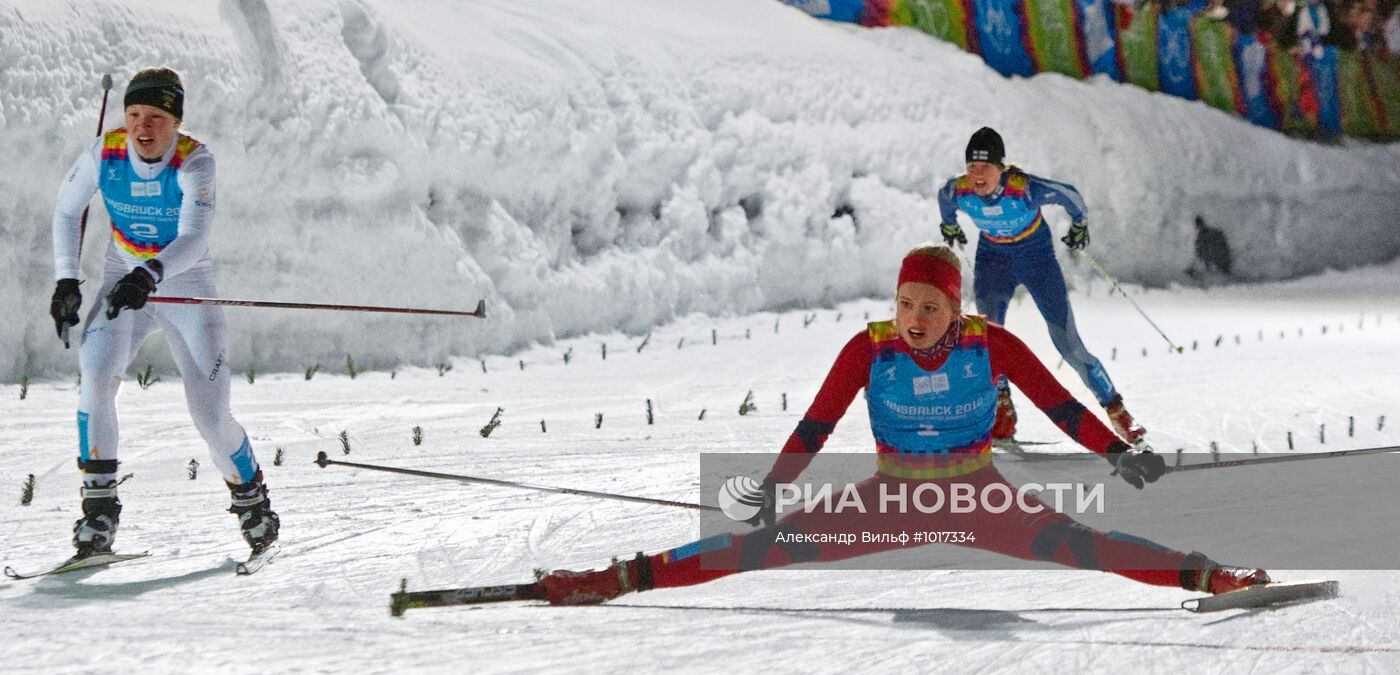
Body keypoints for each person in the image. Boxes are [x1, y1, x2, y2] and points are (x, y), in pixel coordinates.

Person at [536, 245, 1270, 606]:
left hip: (981, 499)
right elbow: (815, 428)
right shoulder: (870, 348)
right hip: (888, 500)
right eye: (905, 303)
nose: (913, 318)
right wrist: (772, 487)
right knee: (756, 548)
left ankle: (1214, 576)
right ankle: (613, 578)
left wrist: (1117, 453)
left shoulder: (993, 344)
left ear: (955, 309)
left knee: (1087, 547)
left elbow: (1060, 406)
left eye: (929, 306)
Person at [48, 67, 279, 560]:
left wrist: (150, 273)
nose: (142, 127)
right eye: (133, 114)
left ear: (175, 121)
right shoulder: (105, 153)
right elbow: (67, 211)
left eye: (155, 116)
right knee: (95, 376)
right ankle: (98, 513)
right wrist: (66, 279)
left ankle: (252, 500)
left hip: (183, 284)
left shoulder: (194, 162)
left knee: (210, 416)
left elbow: (194, 238)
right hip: (123, 278)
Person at [936, 127, 1145, 445]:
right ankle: (1002, 410)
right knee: (989, 339)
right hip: (993, 262)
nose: (977, 175)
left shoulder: (1024, 189)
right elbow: (944, 199)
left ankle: (1117, 411)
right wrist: (949, 224)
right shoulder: (959, 190)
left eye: (985, 167)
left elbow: (1070, 195)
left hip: (1036, 258)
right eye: (971, 167)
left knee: (1069, 345)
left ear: (1001, 167)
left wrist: (1079, 225)